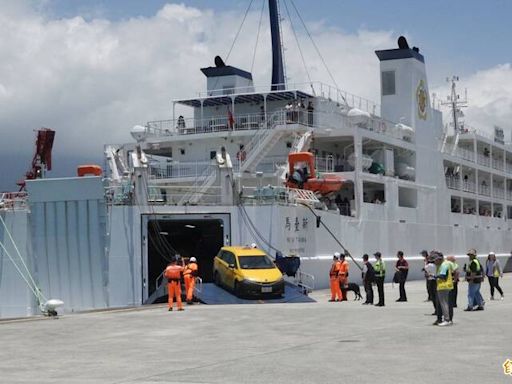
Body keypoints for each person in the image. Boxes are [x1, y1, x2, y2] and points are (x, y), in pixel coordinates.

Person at [433, 252, 454, 326]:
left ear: (439, 259)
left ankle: (447, 320)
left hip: (443, 286)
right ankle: (447, 319)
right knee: (445, 303)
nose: (434, 262)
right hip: (444, 286)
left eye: (435, 260)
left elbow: (443, 276)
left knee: (444, 304)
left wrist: (434, 276)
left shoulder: (443, 265)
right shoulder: (442, 264)